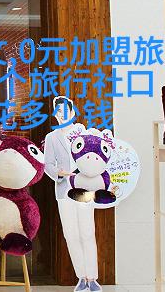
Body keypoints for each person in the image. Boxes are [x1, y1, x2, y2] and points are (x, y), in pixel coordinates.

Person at [43, 96, 102, 292]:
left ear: (72, 112)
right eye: (58, 112)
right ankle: (82, 277)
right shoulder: (52, 138)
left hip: (84, 188)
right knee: (71, 234)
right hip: (63, 189)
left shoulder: (83, 133)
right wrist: (58, 173)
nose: (62, 115)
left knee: (87, 232)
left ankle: (92, 278)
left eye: (65, 111)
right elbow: (47, 164)